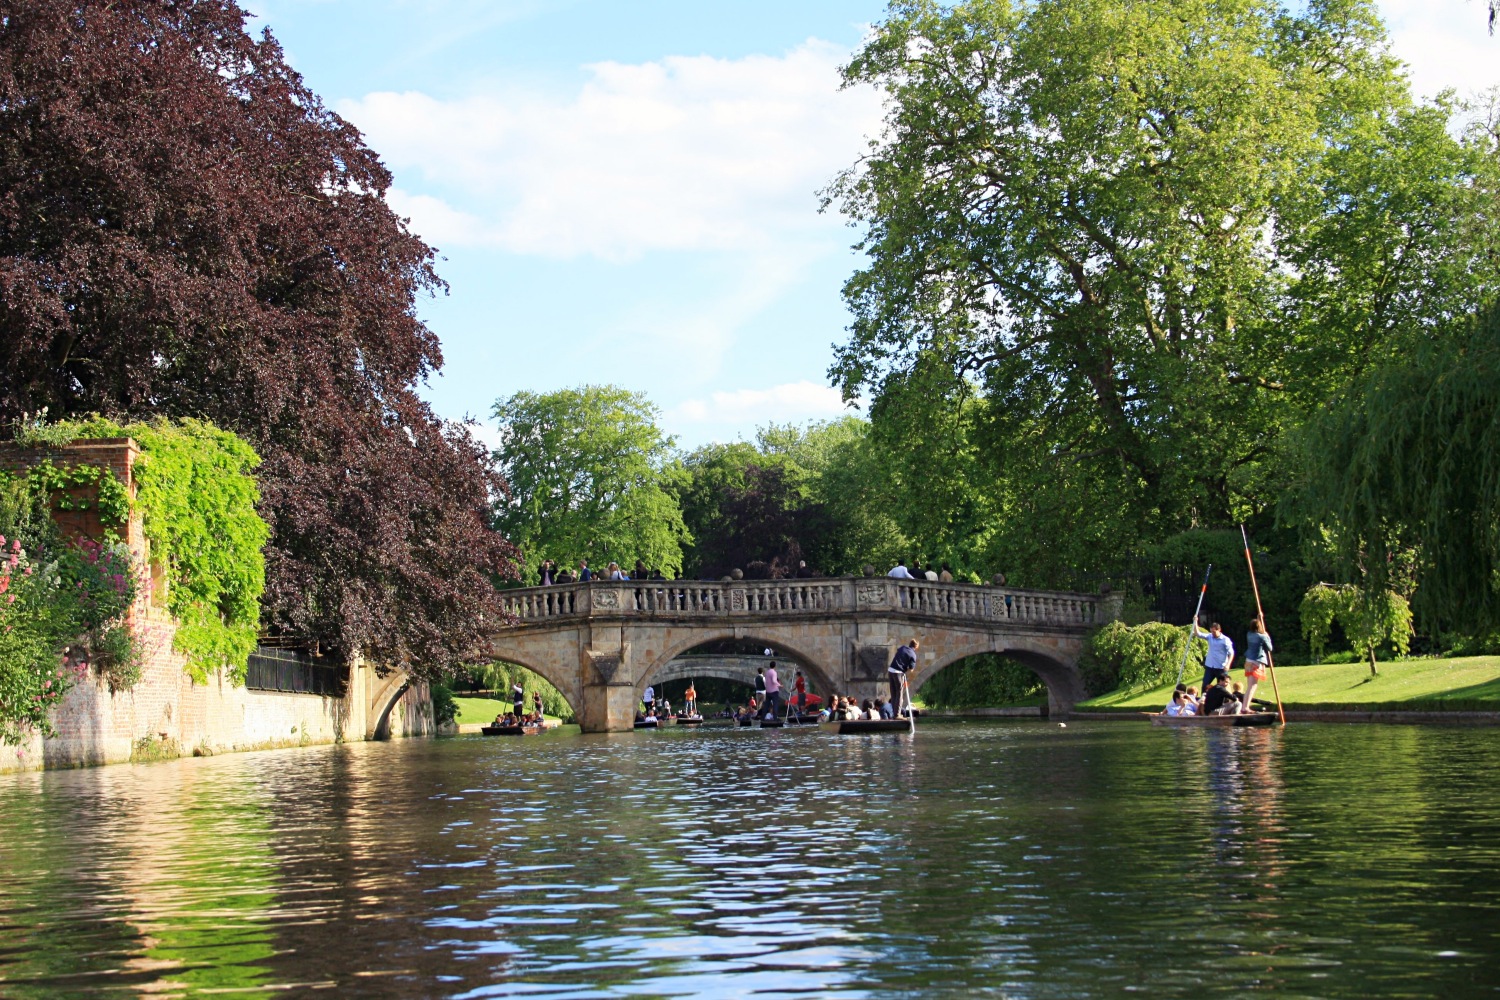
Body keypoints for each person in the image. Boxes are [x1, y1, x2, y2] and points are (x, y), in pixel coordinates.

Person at [1192, 620, 1236, 692]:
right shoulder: (1210, 636)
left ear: (1219, 630)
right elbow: (1198, 634)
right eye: (1211, 631)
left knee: (1223, 686)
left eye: (1214, 632)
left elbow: (1231, 653)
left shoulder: (1225, 640)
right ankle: (1204, 701)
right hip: (1210, 667)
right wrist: (1195, 622)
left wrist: (1228, 664)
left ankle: (1226, 700)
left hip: (1221, 667)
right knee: (1205, 685)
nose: (1212, 633)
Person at [1243, 617, 1273, 708]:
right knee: (1252, 686)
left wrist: (1259, 617)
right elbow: (1270, 648)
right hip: (1255, 663)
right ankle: (1245, 708)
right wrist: (1267, 636)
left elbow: (1256, 629)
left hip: (1248, 662)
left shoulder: (1249, 634)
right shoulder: (1262, 637)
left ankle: (1245, 706)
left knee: (1250, 686)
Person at [888, 639, 919, 714]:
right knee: (899, 694)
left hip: (890, 670)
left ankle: (894, 713)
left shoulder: (903, 647)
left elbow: (899, 652)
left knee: (893, 693)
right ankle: (897, 714)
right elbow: (911, 669)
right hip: (898, 672)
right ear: (916, 647)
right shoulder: (913, 655)